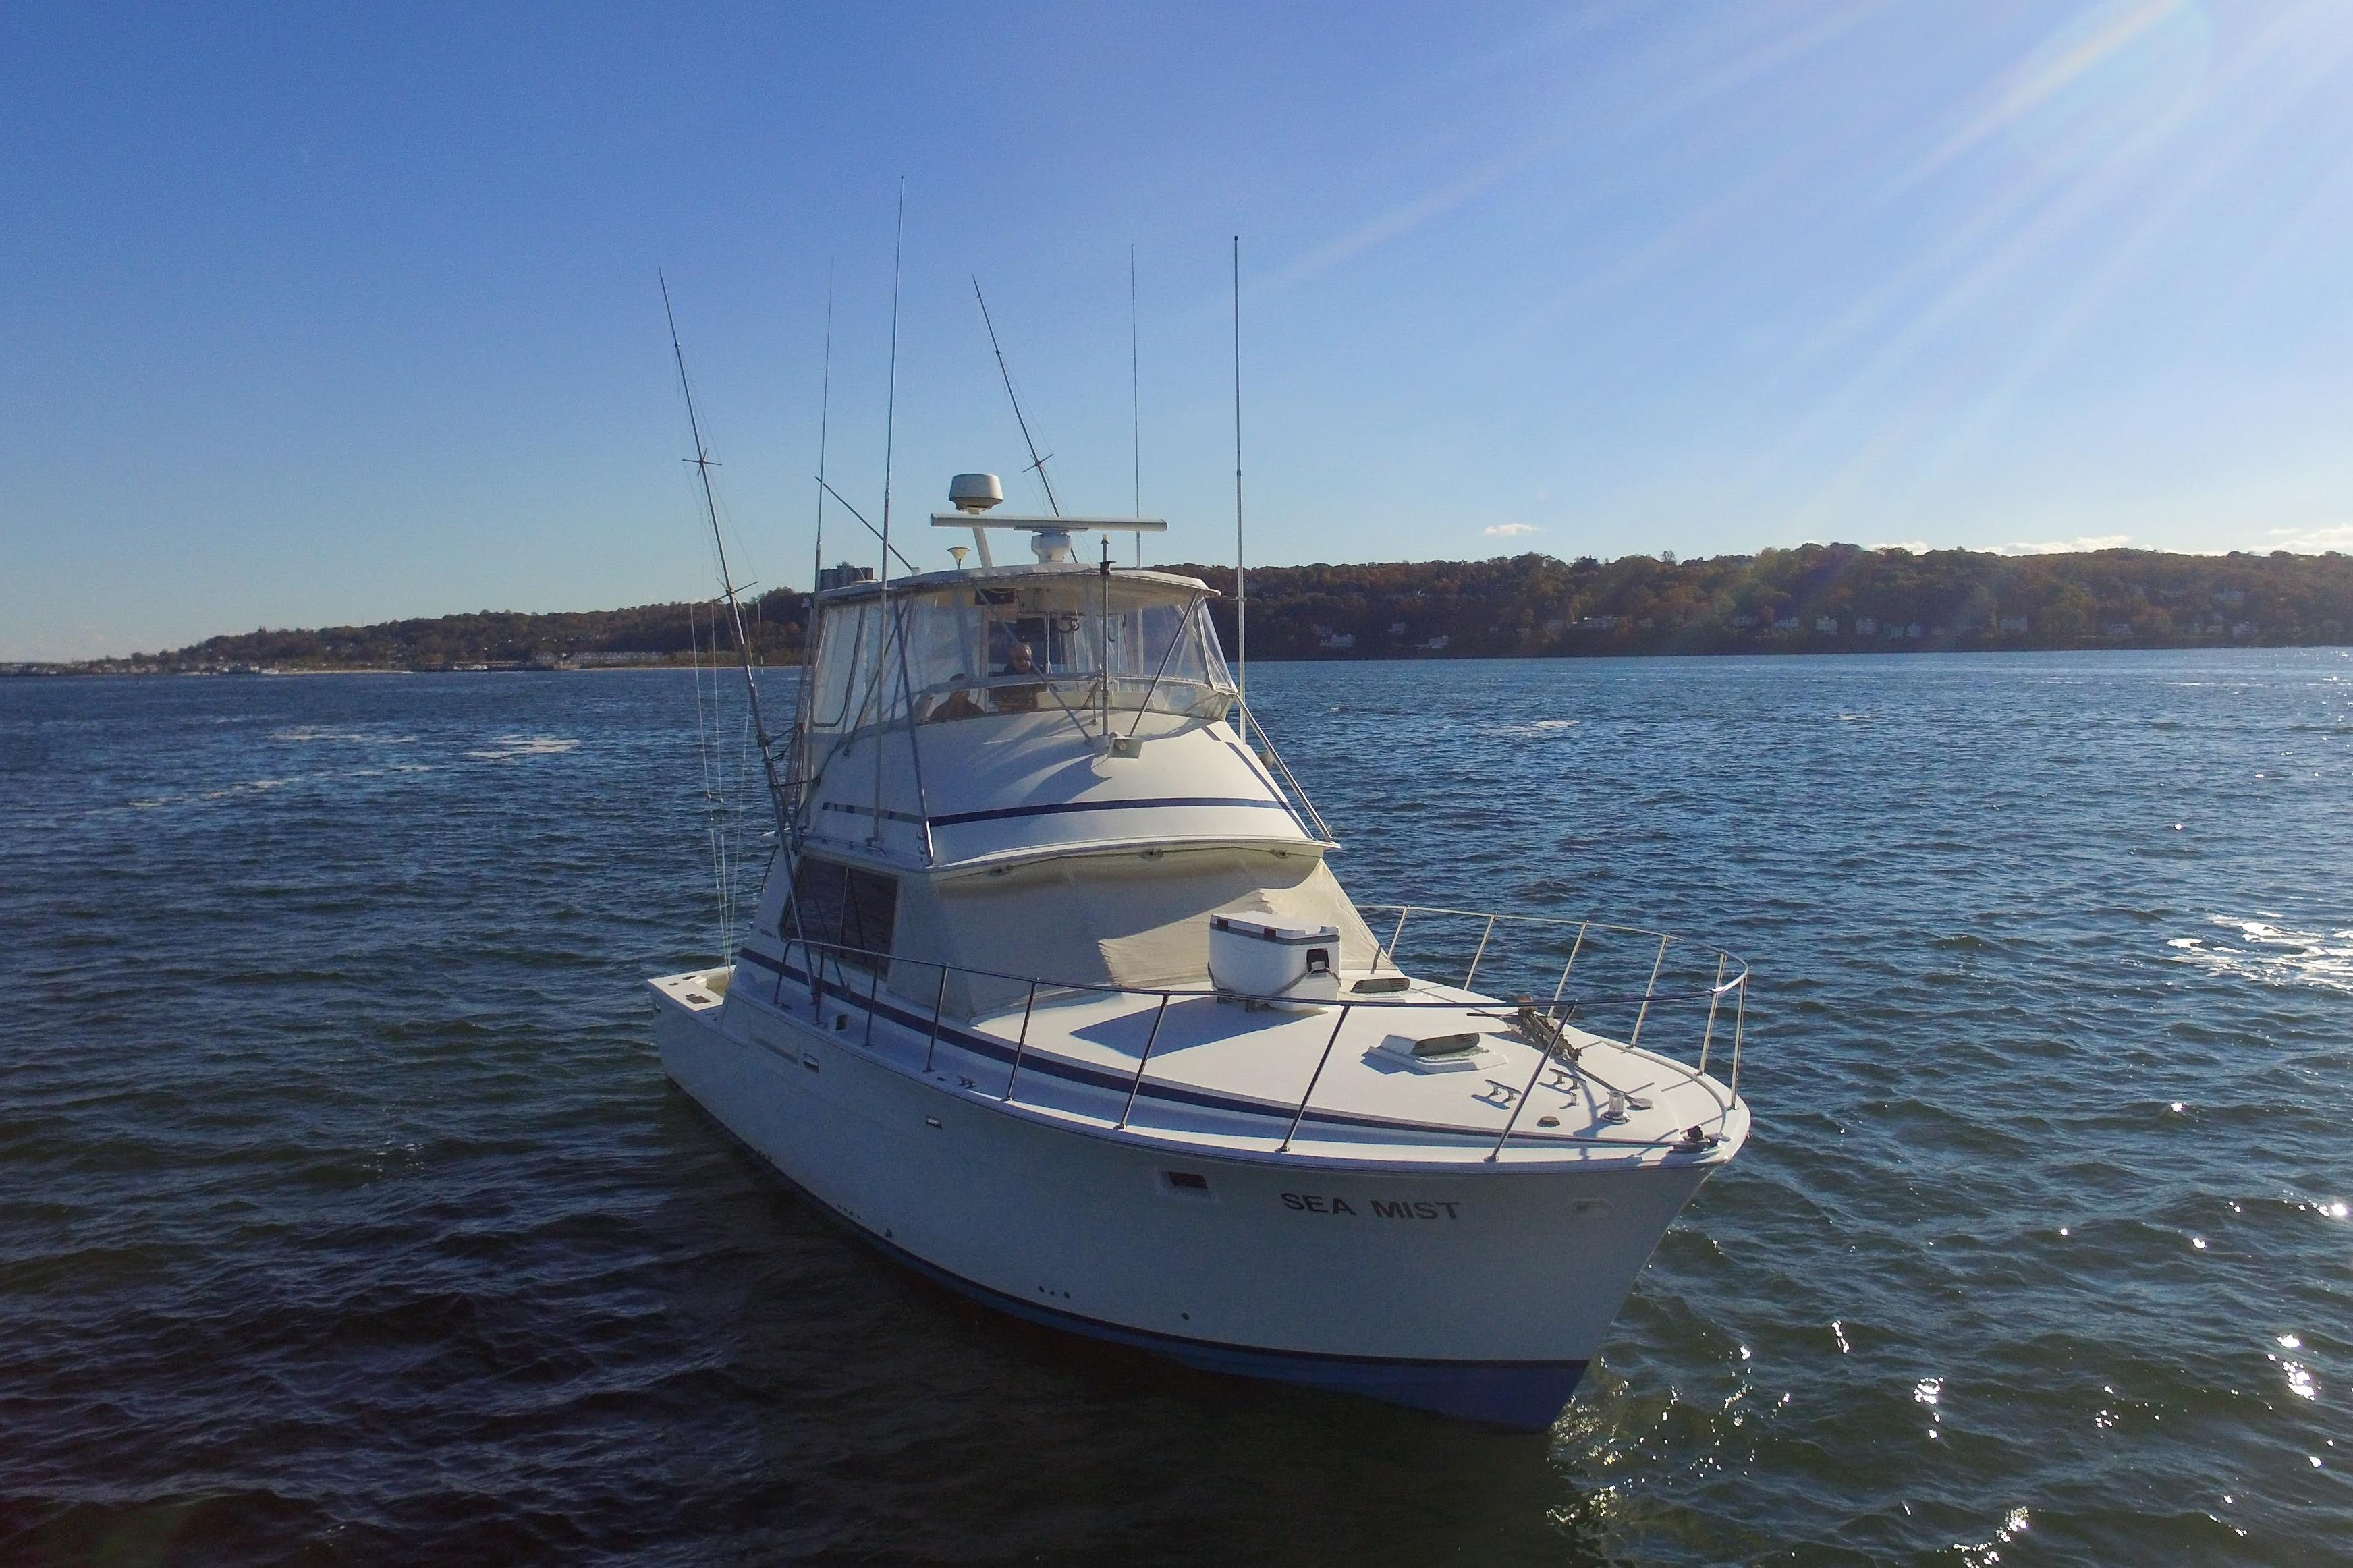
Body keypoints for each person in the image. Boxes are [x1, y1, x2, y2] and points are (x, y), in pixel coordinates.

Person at [993, 640, 1043, 711]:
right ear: (1012, 660)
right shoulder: (1005, 678)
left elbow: (1053, 692)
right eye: (1019, 659)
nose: (1023, 662)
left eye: (1027, 658)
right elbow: (999, 698)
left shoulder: (1042, 674)